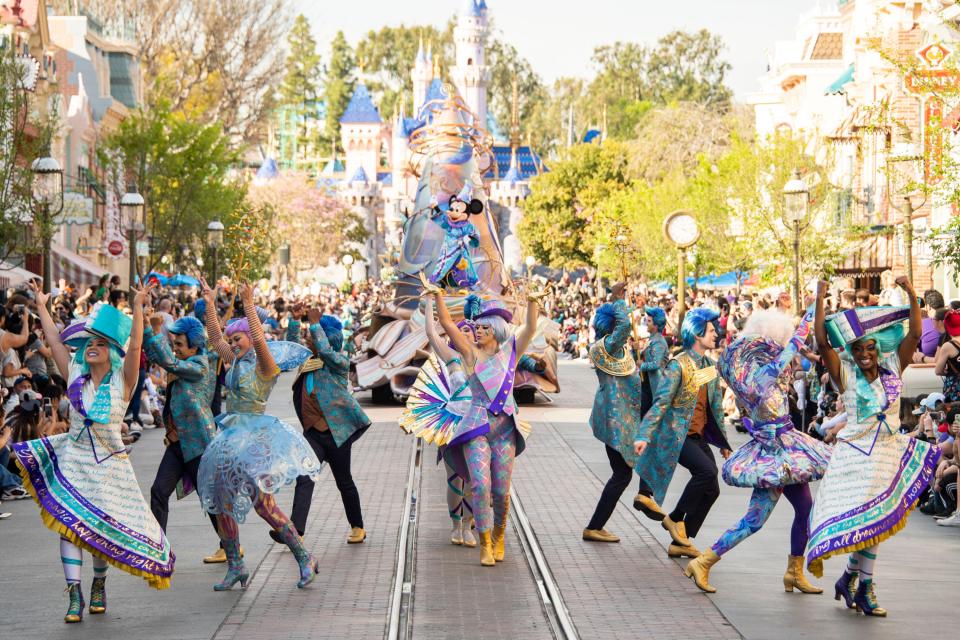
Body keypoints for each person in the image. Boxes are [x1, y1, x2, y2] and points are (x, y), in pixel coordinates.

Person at [14, 283, 173, 623]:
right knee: (68, 526)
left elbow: (136, 349)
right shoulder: (75, 377)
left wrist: (138, 307)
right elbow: (56, 342)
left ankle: (99, 584)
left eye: (100, 343)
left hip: (110, 467)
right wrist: (42, 306)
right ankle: (74, 594)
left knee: (99, 529)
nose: (91, 348)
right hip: (75, 460)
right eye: (88, 343)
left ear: (111, 352)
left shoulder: (122, 381)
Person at [806, 278, 940, 617]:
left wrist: (912, 293)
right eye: (858, 350)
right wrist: (820, 297)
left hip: (886, 452)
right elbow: (822, 343)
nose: (865, 354)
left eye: (869, 348)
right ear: (851, 352)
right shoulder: (844, 375)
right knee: (868, 521)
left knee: (876, 521)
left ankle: (853, 579)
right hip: (854, 457)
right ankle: (862, 584)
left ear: (878, 347)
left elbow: (913, 334)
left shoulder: (894, 366)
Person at [682, 309, 831, 593]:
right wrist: (814, 308)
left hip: (785, 452)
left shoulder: (766, 376)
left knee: (805, 508)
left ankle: (794, 572)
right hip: (777, 457)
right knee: (755, 520)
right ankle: (703, 561)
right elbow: (794, 346)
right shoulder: (761, 377)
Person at [197, 280, 320, 591]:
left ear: (250, 338)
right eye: (232, 339)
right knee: (222, 504)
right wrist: (211, 304)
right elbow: (214, 338)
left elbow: (261, 344)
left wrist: (249, 306)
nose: (233, 344)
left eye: (237, 339)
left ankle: (305, 557)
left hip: (256, 442)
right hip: (229, 439)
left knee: (264, 505)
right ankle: (236, 565)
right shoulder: (235, 361)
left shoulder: (266, 366)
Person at [431, 288, 542, 566]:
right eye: (475, 327)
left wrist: (532, 301)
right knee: (480, 486)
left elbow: (530, 326)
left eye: (482, 328)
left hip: (505, 432)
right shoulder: (469, 354)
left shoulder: (511, 353)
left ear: (495, 330)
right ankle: (484, 544)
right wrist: (437, 297)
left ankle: (499, 536)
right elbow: (446, 324)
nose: (476, 331)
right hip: (477, 427)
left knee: (501, 493)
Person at [632, 308, 733, 559]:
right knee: (706, 471)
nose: (716, 334)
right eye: (711, 330)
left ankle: (683, 539)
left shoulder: (709, 365)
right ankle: (675, 518)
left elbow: (716, 407)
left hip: (698, 436)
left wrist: (724, 442)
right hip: (677, 435)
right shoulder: (678, 365)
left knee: (712, 489)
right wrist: (644, 434)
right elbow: (662, 401)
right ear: (697, 334)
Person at [400, 297, 480, 548]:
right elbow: (431, 332)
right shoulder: (451, 357)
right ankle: (456, 526)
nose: (464, 333)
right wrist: (431, 299)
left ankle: (468, 526)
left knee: (474, 479)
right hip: (452, 424)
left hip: (476, 423)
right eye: (460, 330)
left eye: (469, 330)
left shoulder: (485, 358)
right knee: (455, 478)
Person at [287, 308, 370, 545]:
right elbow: (291, 349)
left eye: (313, 336)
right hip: (314, 433)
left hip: (337, 433)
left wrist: (315, 324)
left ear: (327, 337)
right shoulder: (307, 363)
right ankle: (296, 531)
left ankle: (357, 526)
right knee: (305, 477)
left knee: (344, 480)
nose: (309, 339)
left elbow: (324, 349)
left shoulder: (338, 362)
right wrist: (295, 320)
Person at [141, 312, 221, 544]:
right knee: (158, 491)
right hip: (177, 443)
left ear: (194, 347)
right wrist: (147, 327)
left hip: (199, 444)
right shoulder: (182, 361)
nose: (174, 348)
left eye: (179, 344)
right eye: (173, 343)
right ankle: (159, 548)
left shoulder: (198, 365)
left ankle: (230, 548)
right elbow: (157, 354)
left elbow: (168, 361)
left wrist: (156, 332)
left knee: (209, 500)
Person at [582, 283, 643, 543]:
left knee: (624, 473)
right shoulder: (605, 347)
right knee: (623, 473)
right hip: (616, 420)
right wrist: (618, 299)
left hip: (619, 418)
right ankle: (595, 526)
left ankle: (597, 525)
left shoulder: (614, 350)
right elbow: (624, 328)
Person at [638, 305, 669, 416]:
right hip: (646, 383)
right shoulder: (651, 339)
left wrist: (642, 365)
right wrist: (635, 349)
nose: (646, 322)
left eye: (649, 321)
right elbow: (641, 358)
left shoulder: (659, 342)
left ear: (656, 325)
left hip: (655, 386)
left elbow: (656, 364)